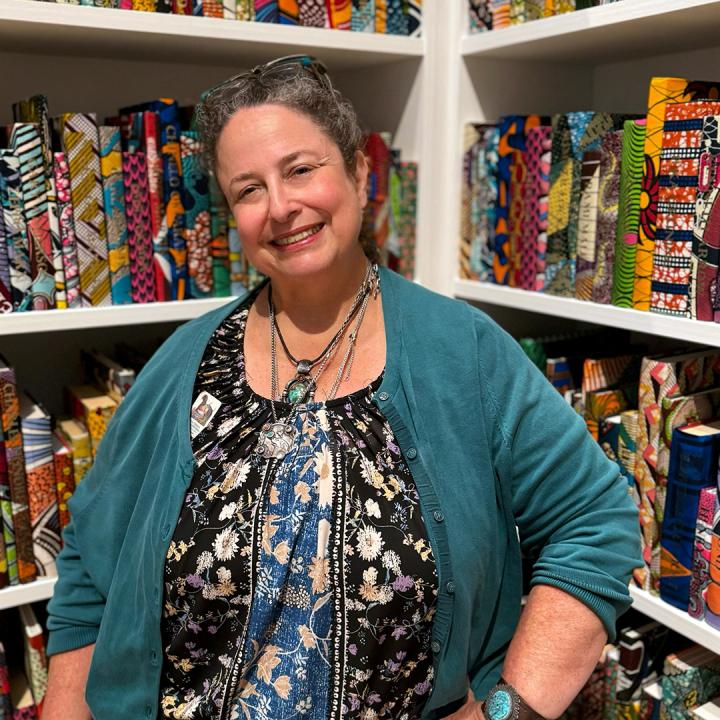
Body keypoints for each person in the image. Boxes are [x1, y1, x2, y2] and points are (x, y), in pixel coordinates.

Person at [43, 56, 641, 720]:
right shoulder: (182, 365)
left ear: (358, 172)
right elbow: (88, 575)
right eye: (248, 189)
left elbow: (596, 521)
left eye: (301, 169)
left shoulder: (463, 352)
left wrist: (510, 711)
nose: (280, 207)